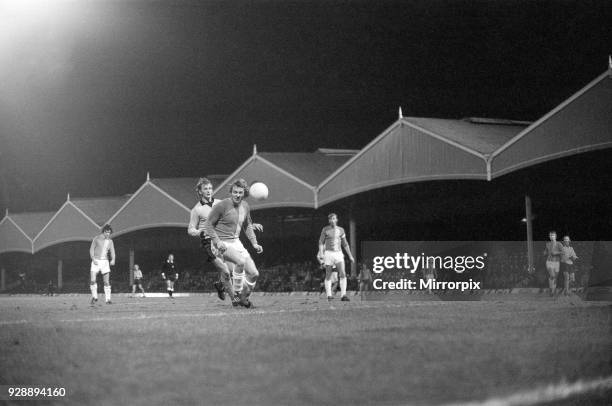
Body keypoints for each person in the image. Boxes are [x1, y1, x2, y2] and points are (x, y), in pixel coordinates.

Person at [187, 177, 263, 302]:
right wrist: (199, 231)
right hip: (209, 242)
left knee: (233, 270)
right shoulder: (196, 210)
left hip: (225, 240)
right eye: (205, 189)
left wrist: (251, 226)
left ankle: (224, 286)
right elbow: (190, 229)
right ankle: (235, 299)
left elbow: (235, 218)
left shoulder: (220, 203)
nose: (209, 191)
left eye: (210, 188)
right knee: (226, 271)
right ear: (200, 191)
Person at [318, 213, 355, 301]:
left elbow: (345, 244)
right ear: (329, 221)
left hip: (338, 253)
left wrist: (350, 256)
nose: (332, 220)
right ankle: (329, 295)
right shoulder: (325, 229)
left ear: (336, 219)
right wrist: (321, 254)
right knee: (328, 275)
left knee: (343, 273)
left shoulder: (341, 230)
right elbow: (320, 242)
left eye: (334, 218)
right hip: (328, 253)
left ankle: (343, 295)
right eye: (330, 219)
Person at [89, 224, 116, 305]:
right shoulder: (96, 239)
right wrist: (93, 259)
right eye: (107, 232)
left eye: (109, 233)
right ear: (104, 232)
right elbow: (91, 250)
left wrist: (113, 259)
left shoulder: (110, 241)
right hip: (96, 261)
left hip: (105, 262)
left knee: (106, 282)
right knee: (93, 280)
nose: (108, 234)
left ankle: (108, 300)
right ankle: (94, 297)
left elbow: (113, 252)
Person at [543, 230, 563, 297]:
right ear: (549, 236)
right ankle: (552, 291)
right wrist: (545, 252)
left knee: (555, 278)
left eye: (553, 235)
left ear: (555, 236)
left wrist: (556, 253)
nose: (552, 236)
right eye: (550, 235)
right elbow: (545, 251)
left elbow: (563, 252)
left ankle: (552, 290)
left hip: (557, 262)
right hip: (549, 262)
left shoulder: (559, 244)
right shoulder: (547, 244)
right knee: (552, 276)